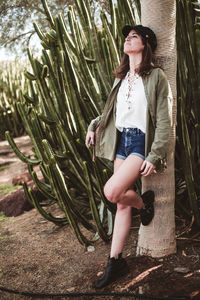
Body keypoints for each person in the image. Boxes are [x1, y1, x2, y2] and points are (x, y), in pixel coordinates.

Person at [85, 24, 172, 289]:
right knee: (121, 203)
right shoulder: (121, 78)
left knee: (111, 191)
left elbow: (164, 121)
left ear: (145, 44)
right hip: (120, 141)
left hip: (139, 142)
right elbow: (111, 112)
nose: (127, 38)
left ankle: (144, 205)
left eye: (133, 36)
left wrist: (155, 154)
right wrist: (93, 126)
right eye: (126, 36)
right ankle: (116, 262)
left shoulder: (157, 77)